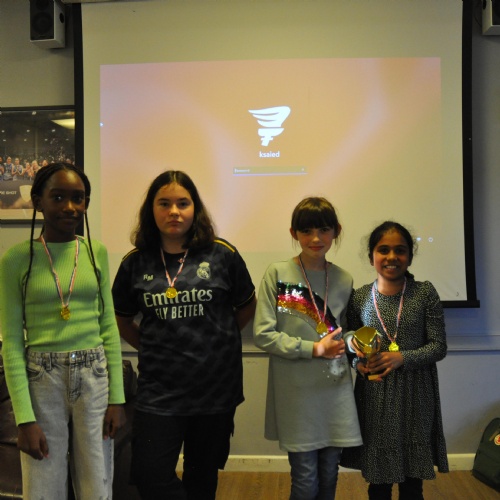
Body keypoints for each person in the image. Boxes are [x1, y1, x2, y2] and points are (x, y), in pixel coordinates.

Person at [112, 170, 256, 500]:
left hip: (215, 390)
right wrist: (152, 345)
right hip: (159, 391)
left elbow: (246, 306)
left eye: (183, 203)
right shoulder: (135, 262)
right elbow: (121, 319)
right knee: (149, 475)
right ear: (151, 210)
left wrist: (219, 338)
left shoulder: (222, 254)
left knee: (201, 478)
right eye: (164, 203)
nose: (174, 211)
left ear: (195, 208)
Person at [0, 162, 126, 500]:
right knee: (42, 486)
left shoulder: (96, 252)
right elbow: (11, 343)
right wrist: (24, 420)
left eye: (78, 198)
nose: (70, 207)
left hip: (94, 375)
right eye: (58, 197)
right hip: (42, 378)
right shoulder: (16, 259)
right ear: (38, 202)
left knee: (96, 485)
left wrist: (117, 398)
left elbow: (108, 327)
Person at [253, 197, 362, 500]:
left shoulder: (343, 278)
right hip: (296, 395)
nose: (316, 238)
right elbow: (263, 334)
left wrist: (356, 343)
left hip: (335, 391)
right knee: (305, 481)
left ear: (336, 231)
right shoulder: (277, 273)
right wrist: (314, 349)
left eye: (324, 230)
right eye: (306, 231)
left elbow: (343, 331)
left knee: (329, 475)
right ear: (294, 233)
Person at [341, 221, 449, 499]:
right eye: (383, 250)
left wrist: (402, 358)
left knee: (413, 484)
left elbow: (438, 347)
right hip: (375, 398)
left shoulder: (424, 293)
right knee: (379, 482)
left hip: (416, 395)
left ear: (410, 257)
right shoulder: (360, 297)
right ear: (371, 257)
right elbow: (351, 348)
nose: (392, 257)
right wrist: (358, 365)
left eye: (400, 250)